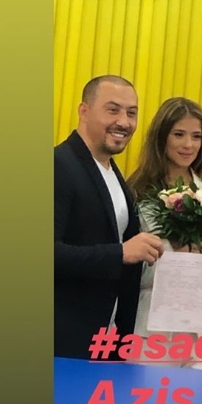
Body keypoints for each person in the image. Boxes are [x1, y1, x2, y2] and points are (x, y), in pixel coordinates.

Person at [54, 75, 164, 357]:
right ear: (84, 111)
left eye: (132, 113)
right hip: (62, 344)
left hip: (106, 343)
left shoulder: (114, 175)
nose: (124, 122)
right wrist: (120, 253)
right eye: (113, 110)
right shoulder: (57, 165)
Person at [127, 97, 202, 370]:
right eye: (179, 134)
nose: (188, 145)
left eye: (196, 136)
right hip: (152, 325)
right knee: (149, 396)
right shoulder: (136, 192)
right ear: (161, 137)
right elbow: (128, 263)